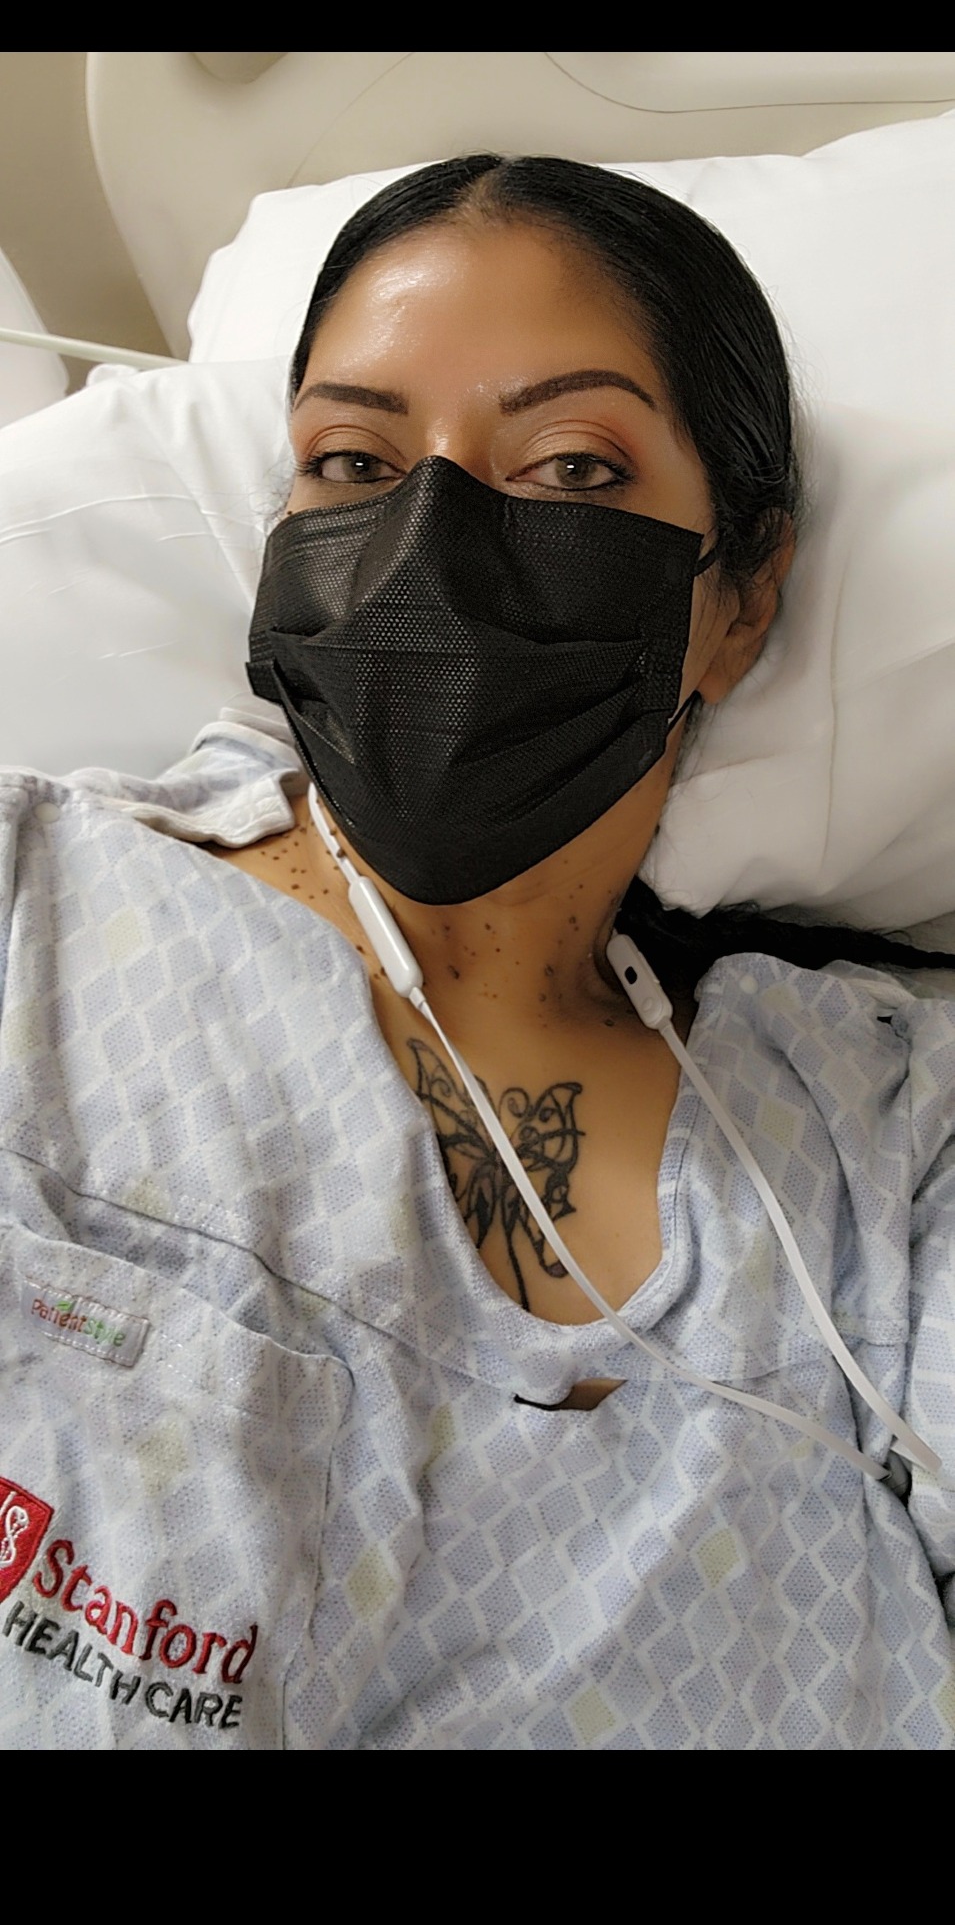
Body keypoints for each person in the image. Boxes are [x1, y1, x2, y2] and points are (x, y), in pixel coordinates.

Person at [1, 157, 953, 1750]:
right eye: (352, 462)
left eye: (572, 469)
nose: (430, 542)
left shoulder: (877, 1141)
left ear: (739, 603)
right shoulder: (38, 908)